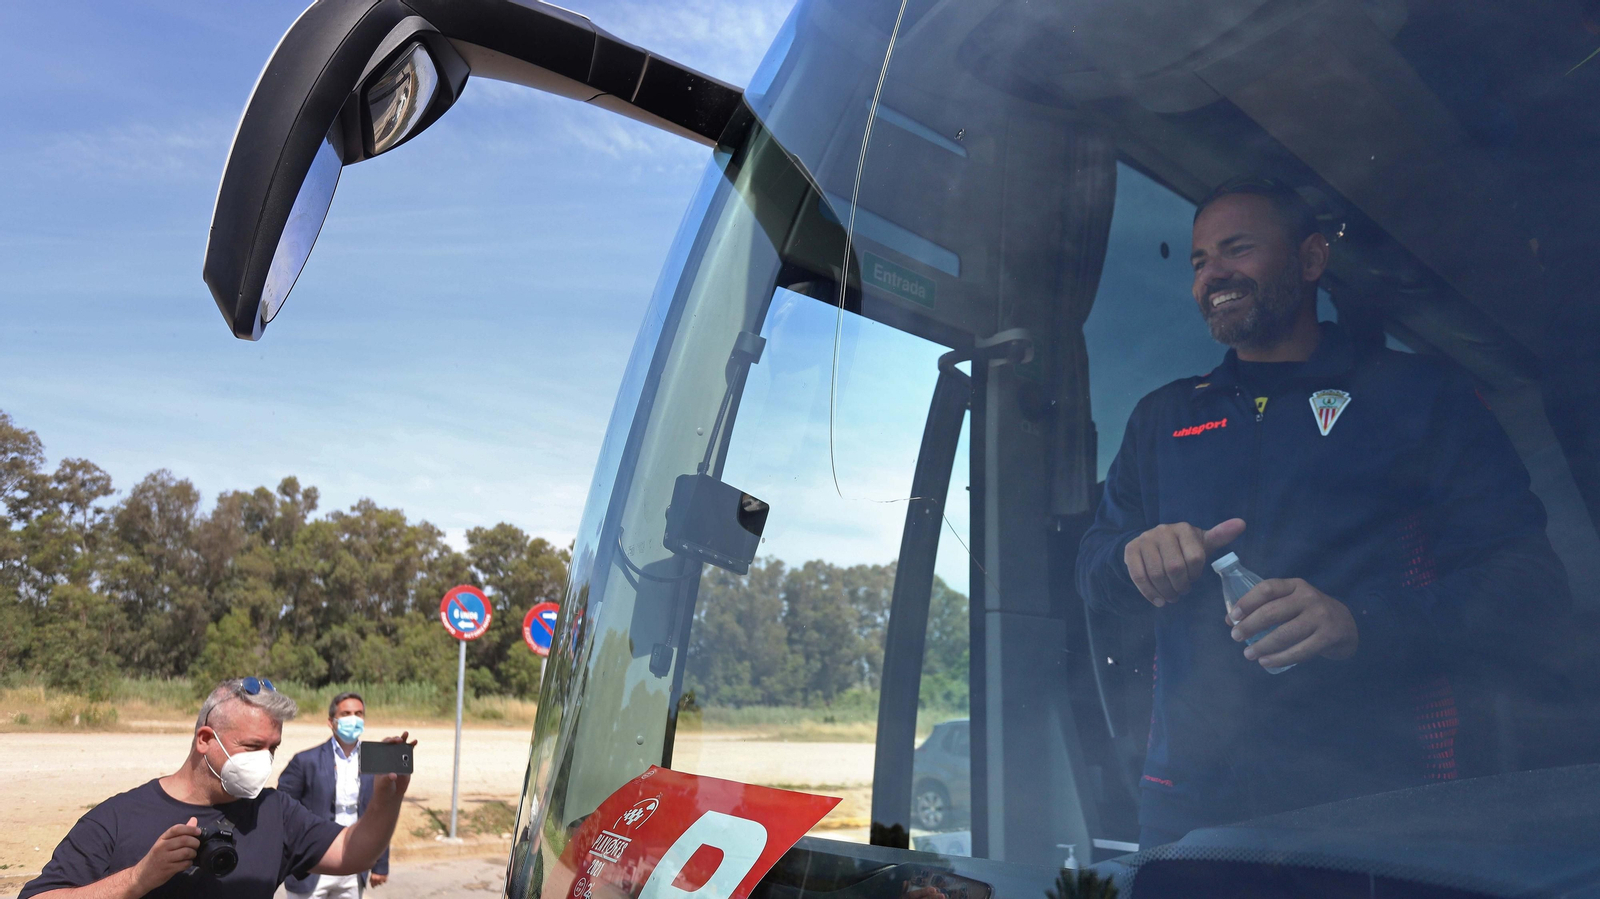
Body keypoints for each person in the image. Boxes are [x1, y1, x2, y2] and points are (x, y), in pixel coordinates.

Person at [1076, 177, 1571, 848]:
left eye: (1237, 248)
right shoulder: (1163, 417)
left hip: (1379, 797)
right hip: (1188, 803)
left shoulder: (1420, 395)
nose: (1213, 273)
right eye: (1198, 261)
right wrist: (1132, 559)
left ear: (1310, 260)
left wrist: (1357, 622)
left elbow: (1527, 581)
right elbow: (1094, 570)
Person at [20, 678, 416, 899]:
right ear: (205, 739)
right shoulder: (118, 818)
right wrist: (138, 879)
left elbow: (353, 852)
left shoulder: (274, 812)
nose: (265, 759)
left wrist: (386, 798)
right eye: (252, 746)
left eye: (273, 748)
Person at [278, 692, 389, 898]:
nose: (353, 719)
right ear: (331, 721)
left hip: (354, 865)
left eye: (358, 713)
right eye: (346, 713)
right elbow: (282, 812)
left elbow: (381, 815)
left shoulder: (374, 761)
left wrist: (380, 862)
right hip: (312, 866)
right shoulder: (305, 761)